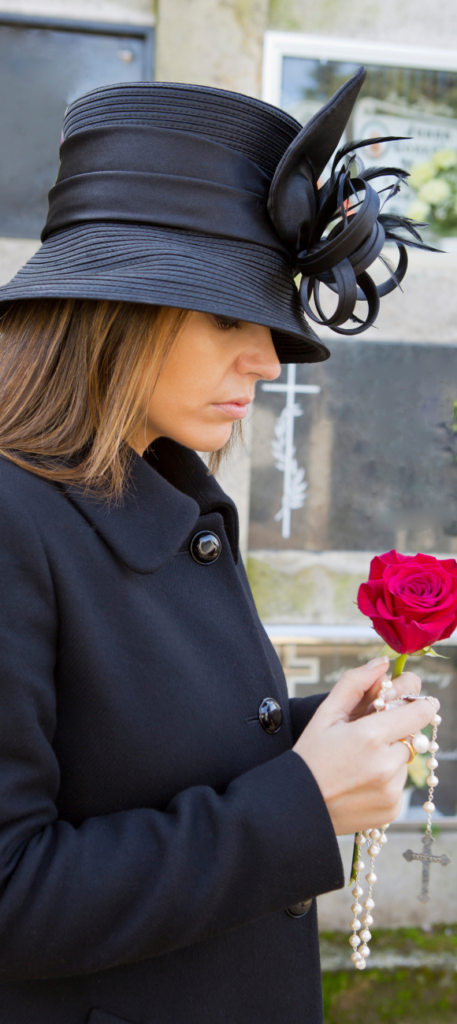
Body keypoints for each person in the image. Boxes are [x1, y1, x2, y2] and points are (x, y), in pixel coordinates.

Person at [0, 70, 436, 1024]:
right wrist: (301, 807)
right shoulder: (14, 521)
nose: (268, 357)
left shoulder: (159, 492)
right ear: (109, 314)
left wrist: (326, 731)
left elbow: (131, 755)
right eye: (227, 315)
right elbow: (12, 897)